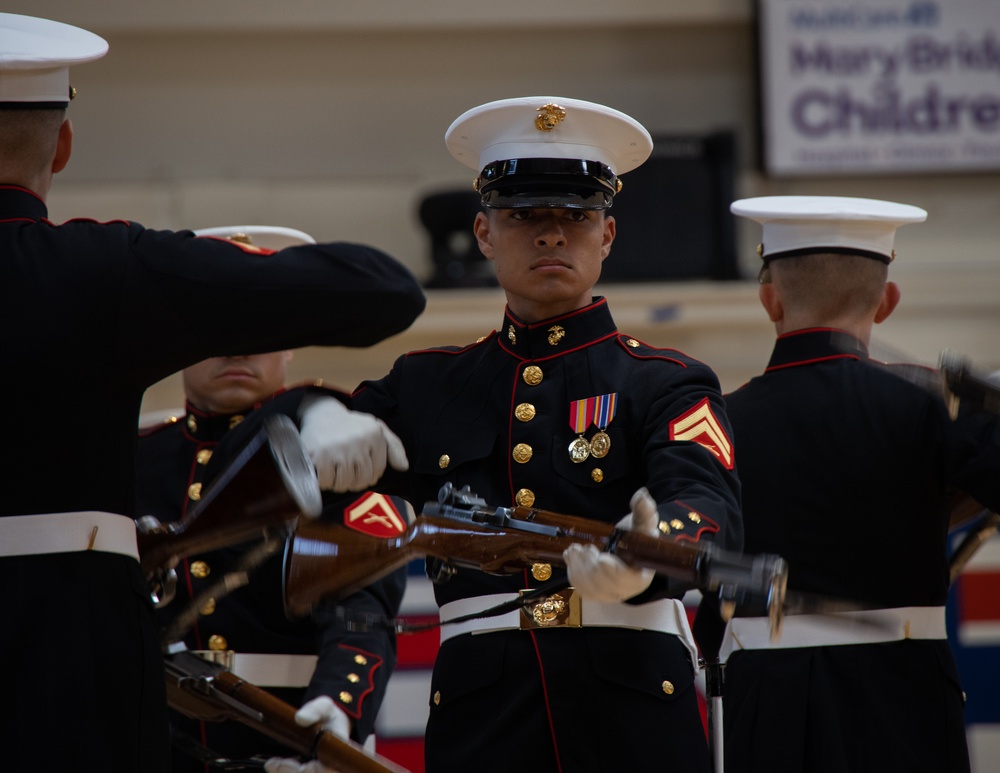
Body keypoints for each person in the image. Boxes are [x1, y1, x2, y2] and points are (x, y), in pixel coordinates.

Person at [0, 14, 424, 773]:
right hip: (73, 650)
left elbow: (359, 604)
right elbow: (382, 289)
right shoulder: (105, 271)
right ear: (62, 146)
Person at [351, 96, 743, 772]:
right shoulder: (424, 385)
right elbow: (314, 473)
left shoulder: (665, 380)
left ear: (607, 236)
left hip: (631, 714)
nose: (553, 234)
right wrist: (315, 420)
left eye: (577, 215)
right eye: (525, 213)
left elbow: (707, 506)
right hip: (484, 719)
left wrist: (644, 557)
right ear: (483, 232)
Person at [695, 196, 1000, 773]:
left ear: (770, 299)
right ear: (886, 303)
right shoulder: (935, 406)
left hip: (765, 701)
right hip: (903, 698)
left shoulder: (718, 422)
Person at [135, 228, 406, 772]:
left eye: (258, 329)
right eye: (218, 327)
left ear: (288, 342)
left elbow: (359, 605)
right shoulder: (135, 458)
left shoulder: (335, 449)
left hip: (290, 727)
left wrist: (341, 703)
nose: (237, 347)